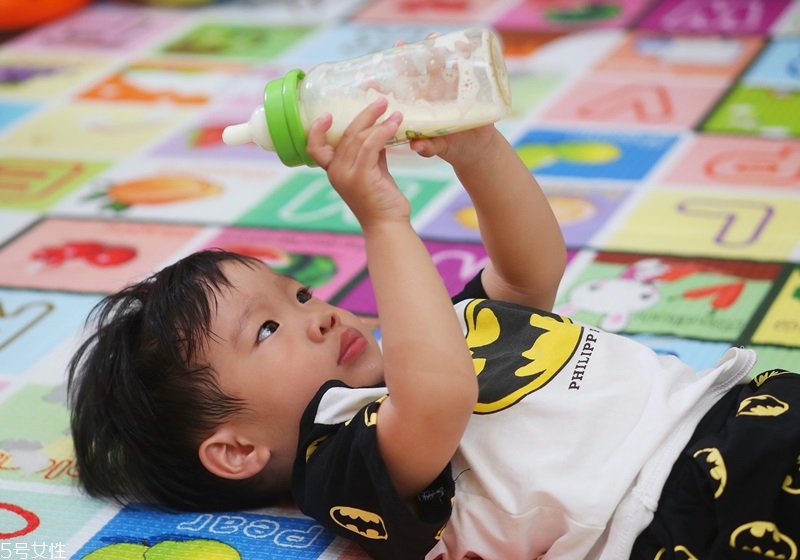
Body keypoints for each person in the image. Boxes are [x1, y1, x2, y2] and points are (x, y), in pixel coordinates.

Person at [67, 97, 800, 560]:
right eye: (266, 331)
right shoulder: (339, 458)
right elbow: (440, 399)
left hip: (742, 412)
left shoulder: (437, 333)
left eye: (299, 293)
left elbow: (527, 273)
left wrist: (479, 153)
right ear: (237, 450)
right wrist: (383, 221)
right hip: (687, 509)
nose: (318, 313)